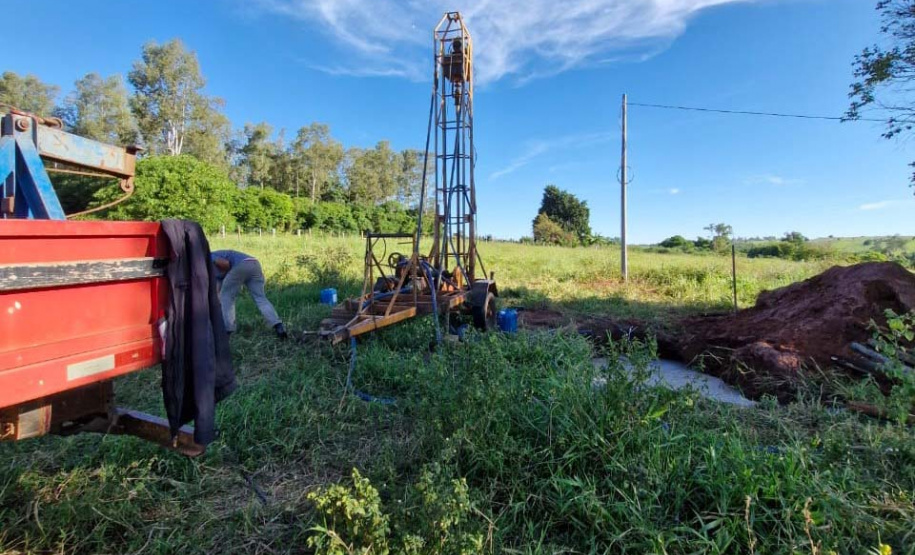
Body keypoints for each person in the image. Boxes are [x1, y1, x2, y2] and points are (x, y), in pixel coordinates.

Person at [211, 249, 288, 339]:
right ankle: (278, 326)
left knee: (227, 298)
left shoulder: (208, 255)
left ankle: (228, 330)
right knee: (260, 298)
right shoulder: (214, 271)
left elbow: (226, 264)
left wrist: (227, 277)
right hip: (254, 263)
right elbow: (218, 290)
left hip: (240, 265)